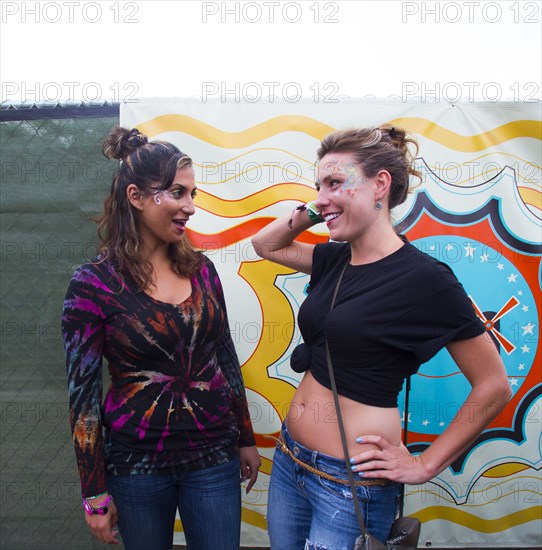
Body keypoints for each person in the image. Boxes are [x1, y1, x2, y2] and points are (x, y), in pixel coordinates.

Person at [251, 125, 511, 550]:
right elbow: (266, 245)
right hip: (290, 459)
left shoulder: (426, 279)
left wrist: (425, 464)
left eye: (336, 182)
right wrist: (319, 208)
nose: (322, 195)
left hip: (350, 483)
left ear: (380, 185)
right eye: (319, 185)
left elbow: (494, 385)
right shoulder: (333, 259)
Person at [62, 127, 260, 550]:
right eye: (176, 193)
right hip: (136, 468)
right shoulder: (93, 285)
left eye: (192, 194)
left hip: (213, 458)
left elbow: (224, 355)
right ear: (135, 196)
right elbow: (83, 400)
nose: (190, 206)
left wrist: (245, 437)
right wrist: (94, 493)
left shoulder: (202, 270)